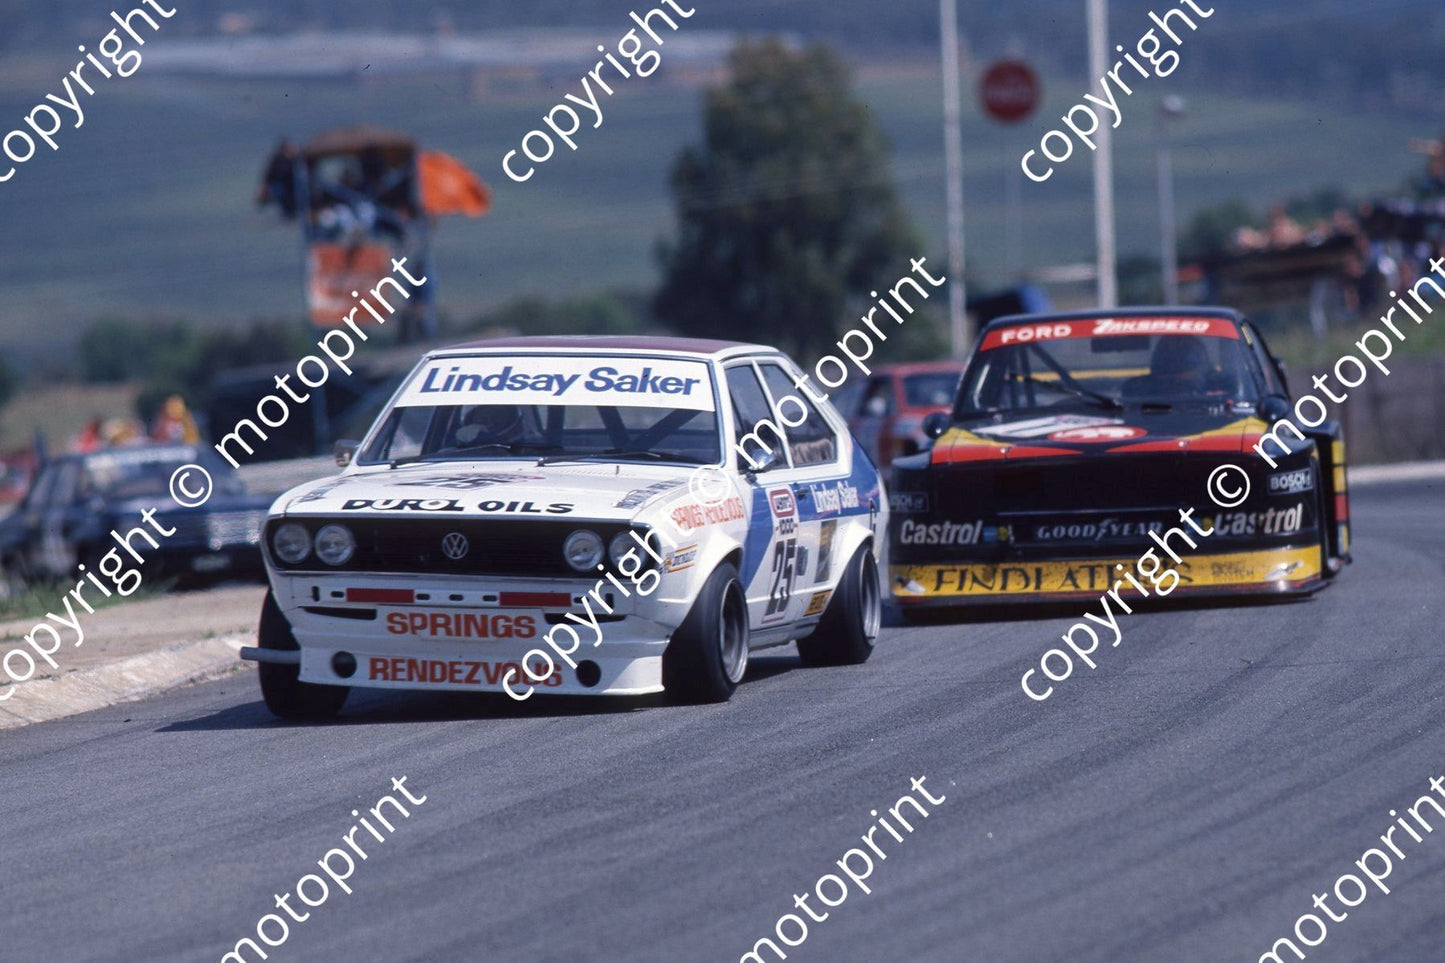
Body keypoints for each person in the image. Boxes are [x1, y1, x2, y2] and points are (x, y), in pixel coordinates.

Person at [255, 139, 300, 218]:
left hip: (289, 188)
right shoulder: (278, 160)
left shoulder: (292, 160)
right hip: (280, 186)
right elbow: (269, 174)